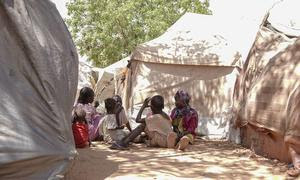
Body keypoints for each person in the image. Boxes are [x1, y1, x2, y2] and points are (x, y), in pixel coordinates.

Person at [110, 95, 177, 150]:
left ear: (151, 107)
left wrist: (143, 106)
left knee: (143, 125)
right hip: (166, 138)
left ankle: (123, 143)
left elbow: (137, 119)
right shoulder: (166, 116)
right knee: (146, 128)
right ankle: (123, 141)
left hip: (162, 141)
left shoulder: (154, 117)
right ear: (162, 106)